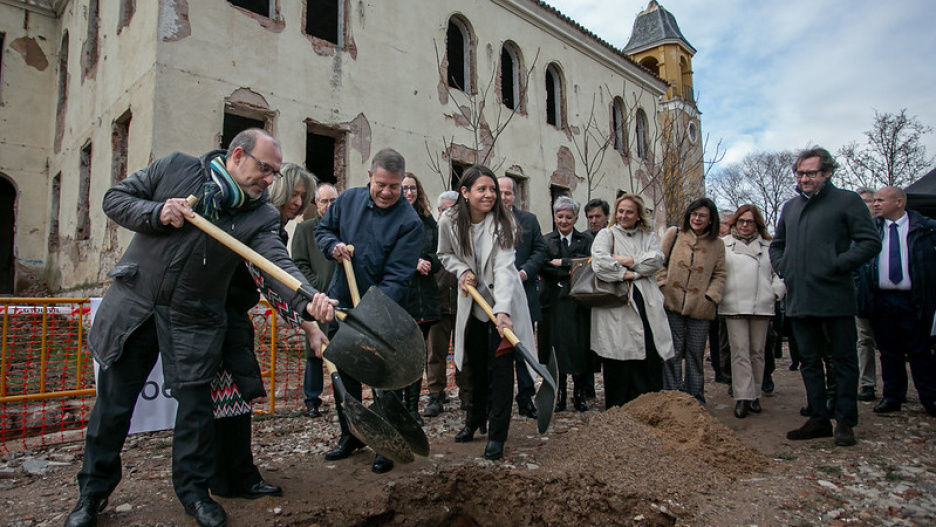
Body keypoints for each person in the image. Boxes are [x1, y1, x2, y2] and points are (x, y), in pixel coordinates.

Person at [64, 129, 335, 527]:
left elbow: (276, 263)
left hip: (193, 320)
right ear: (238, 155)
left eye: (275, 174)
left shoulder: (258, 215)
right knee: (114, 407)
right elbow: (115, 199)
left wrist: (307, 297)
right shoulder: (177, 168)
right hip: (137, 307)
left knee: (195, 412)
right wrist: (158, 213)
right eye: (266, 169)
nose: (270, 181)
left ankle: (193, 493)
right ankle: (92, 494)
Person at [209, 162, 315, 499]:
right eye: (294, 193)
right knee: (232, 397)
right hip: (218, 315)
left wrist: (305, 322)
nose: (298, 201)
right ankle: (235, 478)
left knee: (231, 398)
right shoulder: (263, 223)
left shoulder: (277, 227)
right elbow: (270, 281)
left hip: (230, 315)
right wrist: (307, 320)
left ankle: (226, 476)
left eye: (304, 195)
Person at [315, 148, 423, 474]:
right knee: (345, 379)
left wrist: (369, 314)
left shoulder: (409, 223)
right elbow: (323, 230)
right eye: (381, 184)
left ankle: (383, 445)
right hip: (341, 303)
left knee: (382, 380)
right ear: (370, 177)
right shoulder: (347, 202)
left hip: (382, 314)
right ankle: (351, 434)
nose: (387, 192)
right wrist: (331, 245)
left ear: (401, 183)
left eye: (394, 186)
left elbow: (397, 277)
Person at [769, 147, 880, 447]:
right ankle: (818, 418)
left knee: (843, 360)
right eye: (800, 173)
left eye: (811, 173)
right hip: (800, 298)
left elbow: (870, 242)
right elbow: (777, 246)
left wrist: (837, 264)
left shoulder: (846, 201)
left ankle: (844, 421)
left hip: (835, 296)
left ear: (827, 173)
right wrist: (785, 269)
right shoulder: (790, 208)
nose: (804, 178)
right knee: (809, 361)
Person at [438, 165, 536, 461]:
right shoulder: (450, 220)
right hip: (473, 306)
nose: (490, 195)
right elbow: (445, 255)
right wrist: (462, 269)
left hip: (501, 306)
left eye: (492, 189)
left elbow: (506, 270)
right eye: (482, 189)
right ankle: (474, 420)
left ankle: (497, 435)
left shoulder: (504, 223)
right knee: (475, 368)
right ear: (465, 193)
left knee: (502, 371)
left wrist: (504, 311)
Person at [858, 186, 936, 417]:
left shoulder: (925, 229)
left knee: (919, 351)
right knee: (889, 351)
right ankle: (892, 397)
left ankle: (930, 398)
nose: (876, 204)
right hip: (882, 299)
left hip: (914, 299)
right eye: (875, 200)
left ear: (899, 202)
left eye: (881, 200)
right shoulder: (871, 230)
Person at [591, 194, 674, 407]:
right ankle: (619, 409)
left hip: (646, 301)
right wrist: (631, 273)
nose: (624, 215)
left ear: (638, 215)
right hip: (617, 304)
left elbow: (656, 260)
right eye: (620, 211)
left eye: (629, 212)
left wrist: (626, 260)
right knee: (619, 355)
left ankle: (647, 406)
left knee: (648, 352)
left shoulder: (647, 236)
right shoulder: (606, 234)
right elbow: (601, 264)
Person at [657, 197, 726, 405]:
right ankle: (672, 397)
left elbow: (720, 274)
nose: (697, 218)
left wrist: (710, 297)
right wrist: (663, 284)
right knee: (672, 352)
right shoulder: (674, 234)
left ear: (711, 219)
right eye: (694, 214)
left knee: (695, 353)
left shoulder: (717, 244)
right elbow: (658, 261)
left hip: (701, 307)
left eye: (702, 215)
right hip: (672, 302)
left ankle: (695, 399)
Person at [720, 205, 785, 418]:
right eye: (741, 221)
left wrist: (774, 293)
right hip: (734, 304)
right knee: (739, 351)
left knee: (757, 352)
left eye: (750, 222)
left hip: (761, 305)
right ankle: (742, 397)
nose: (745, 225)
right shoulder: (723, 245)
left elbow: (780, 273)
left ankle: (755, 393)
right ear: (735, 223)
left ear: (757, 224)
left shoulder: (769, 246)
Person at [539, 196, 595, 412]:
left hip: (577, 301)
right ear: (554, 216)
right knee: (555, 348)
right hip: (552, 301)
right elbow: (544, 266)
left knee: (578, 347)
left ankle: (579, 392)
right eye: (560, 216)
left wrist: (562, 263)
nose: (563, 221)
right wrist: (570, 268)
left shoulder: (586, 240)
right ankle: (559, 392)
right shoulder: (545, 241)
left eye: (568, 217)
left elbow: (588, 265)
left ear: (576, 218)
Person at [497, 177, 546, 419]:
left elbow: (540, 250)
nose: (504, 197)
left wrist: (524, 273)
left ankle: (526, 398)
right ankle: (496, 403)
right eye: (500, 192)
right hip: (495, 300)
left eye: (508, 193)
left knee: (523, 349)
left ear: (514, 195)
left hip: (524, 295)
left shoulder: (529, 220)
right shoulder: (486, 220)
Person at [292, 182, 340, 418]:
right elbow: (298, 264)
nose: (329, 206)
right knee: (315, 351)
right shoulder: (305, 230)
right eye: (324, 201)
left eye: (333, 201)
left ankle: (343, 397)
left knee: (340, 348)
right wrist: (317, 288)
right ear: (316, 203)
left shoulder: (344, 229)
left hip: (340, 301)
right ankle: (312, 399)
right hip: (315, 299)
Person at [425, 191, 472, 415]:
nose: (448, 214)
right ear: (438, 212)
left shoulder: (467, 234)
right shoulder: (432, 235)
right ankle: (435, 393)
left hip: (464, 302)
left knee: (464, 351)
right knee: (435, 352)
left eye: (452, 209)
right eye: (444, 210)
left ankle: (466, 392)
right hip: (438, 302)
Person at [400, 173, 442, 424]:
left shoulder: (429, 222)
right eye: (404, 188)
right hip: (400, 295)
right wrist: (410, 263)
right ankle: (400, 404)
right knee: (401, 353)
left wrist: (429, 263)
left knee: (417, 353)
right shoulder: (391, 218)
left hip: (424, 296)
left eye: (412, 188)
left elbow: (441, 255)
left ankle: (412, 407)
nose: (408, 192)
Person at [581, 198, 610, 398]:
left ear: (606, 217)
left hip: (609, 298)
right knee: (587, 344)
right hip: (587, 298)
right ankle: (587, 387)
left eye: (597, 216)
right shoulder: (582, 239)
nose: (593, 220)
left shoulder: (613, 237)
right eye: (590, 217)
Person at [855, 187, 879, 402]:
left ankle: (895, 387)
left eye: (869, 201)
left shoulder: (887, 229)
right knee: (864, 340)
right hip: (862, 293)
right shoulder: (851, 231)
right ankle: (867, 383)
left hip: (889, 294)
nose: (867, 205)